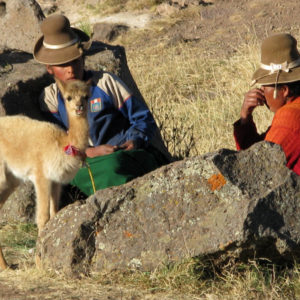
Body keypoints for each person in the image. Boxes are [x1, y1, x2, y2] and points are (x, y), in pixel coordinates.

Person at [33, 14, 172, 196]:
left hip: (123, 156)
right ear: (49, 68)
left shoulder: (106, 83)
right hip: (84, 162)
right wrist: (89, 152)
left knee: (114, 165)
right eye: (62, 64)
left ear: (83, 58)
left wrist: (134, 140)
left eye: (75, 60)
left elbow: (143, 118)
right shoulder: (49, 99)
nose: (70, 69)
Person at [234, 33, 300, 175]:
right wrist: (245, 118)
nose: (260, 91)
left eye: (265, 86)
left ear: (284, 90)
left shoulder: (291, 116)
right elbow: (261, 151)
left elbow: (260, 170)